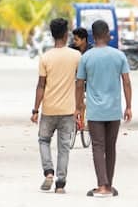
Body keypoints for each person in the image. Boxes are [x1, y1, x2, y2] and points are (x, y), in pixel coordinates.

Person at [75, 20, 132, 197]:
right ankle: (109, 185)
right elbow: (127, 82)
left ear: (93, 35)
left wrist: (78, 108)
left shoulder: (86, 57)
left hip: (95, 111)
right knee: (110, 147)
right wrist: (129, 106)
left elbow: (79, 84)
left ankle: (102, 186)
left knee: (98, 147)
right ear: (106, 34)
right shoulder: (119, 56)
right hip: (114, 110)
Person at [31, 18, 82, 193]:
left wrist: (35, 110)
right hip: (68, 110)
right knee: (64, 147)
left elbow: (40, 86)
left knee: (44, 140)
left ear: (52, 35)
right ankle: (60, 184)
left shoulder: (45, 58)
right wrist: (79, 109)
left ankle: (48, 172)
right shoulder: (76, 56)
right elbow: (79, 83)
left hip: (49, 109)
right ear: (66, 34)